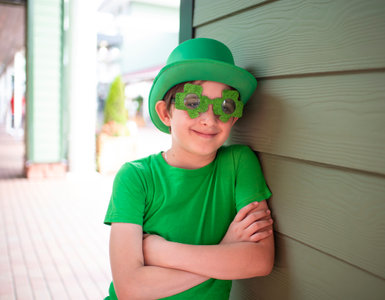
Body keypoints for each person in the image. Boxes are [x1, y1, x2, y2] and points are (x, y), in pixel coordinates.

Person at [104, 38, 274, 299]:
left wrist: (162, 251)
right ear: (165, 114)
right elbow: (130, 288)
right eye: (193, 103)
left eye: (225, 106)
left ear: (235, 116)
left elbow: (259, 260)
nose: (209, 119)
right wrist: (225, 250)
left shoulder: (239, 163)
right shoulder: (135, 177)